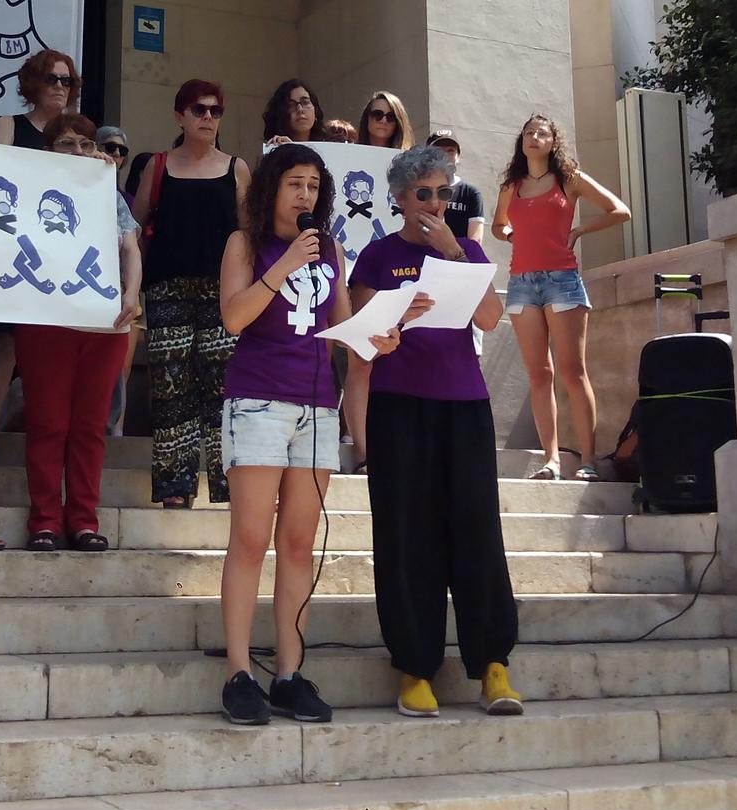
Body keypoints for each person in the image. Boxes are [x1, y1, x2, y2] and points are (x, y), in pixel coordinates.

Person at [216, 145, 393, 726]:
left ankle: (289, 673)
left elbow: (340, 328)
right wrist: (286, 264)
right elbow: (235, 317)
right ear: (270, 188)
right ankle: (239, 672)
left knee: (297, 543)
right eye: (295, 184)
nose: (305, 196)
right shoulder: (245, 244)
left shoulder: (333, 250)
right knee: (249, 539)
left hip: (317, 405)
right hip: (259, 398)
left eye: (314, 187)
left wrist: (378, 336)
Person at [350, 143, 520, 719]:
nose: (434, 203)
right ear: (398, 199)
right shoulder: (375, 257)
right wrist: (393, 323)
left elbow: (492, 319)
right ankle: (415, 666)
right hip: (399, 407)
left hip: (464, 404)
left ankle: (493, 663)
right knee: (406, 536)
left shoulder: (466, 248)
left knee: (476, 529)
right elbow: (363, 341)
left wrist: (454, 253)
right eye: (423, 194)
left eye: (443, 193)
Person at [16, 115, 142, 550]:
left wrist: (132, 293)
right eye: (66, 143)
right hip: (45, 323)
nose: (78, 151)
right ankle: (45, 521)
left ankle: (84, 520)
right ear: (48, 150)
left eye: (86, 144)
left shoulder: (108, 192)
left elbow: (130, 246)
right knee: (48, 424)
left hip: (104, 323)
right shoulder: (25, 189)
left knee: (90, 426)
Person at [131, 80, 248, 507]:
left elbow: (249, 235)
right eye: (199, 110)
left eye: (216, 112)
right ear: (179, 115)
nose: (208, 119)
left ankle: (230, 483)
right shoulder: (157, 165)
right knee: (170, 388)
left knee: (224, 388)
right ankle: (175, 487)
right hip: (166, 290)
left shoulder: (236, 167)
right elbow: (135, 227)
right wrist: (129, 289)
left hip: (223, 292)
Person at [494, 114, 630, 482]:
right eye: (528, 132)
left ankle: (587, 459)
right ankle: (551, 460)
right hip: (522, 282)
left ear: (554, 141)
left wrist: (582, 229)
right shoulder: (512, 184)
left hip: (562, 281)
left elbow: (620, 210)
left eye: (542, 133)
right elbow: (498, 224)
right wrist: (511, 235)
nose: (534, 137)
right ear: (521, 141)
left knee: (573, 371)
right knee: (539, 374)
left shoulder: (569, 179)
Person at [0, 48, 85, 462]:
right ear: (32, 84)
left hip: (60, 253)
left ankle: (50, 436)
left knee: (52, 346)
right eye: (52, 79)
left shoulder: (77, 133)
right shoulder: (10, 125)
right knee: (4, 341)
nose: (60, 87)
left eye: (67, 81)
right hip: (12, 247)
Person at [96, 123, 142, 436]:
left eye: (121, 150)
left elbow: (132, 247)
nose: (115, 155)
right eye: (109, 147)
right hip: (77, 293)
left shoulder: (121, 199)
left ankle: (117, 431)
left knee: (120, 367)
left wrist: (132, 292)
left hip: (120, 291)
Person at [426, 129, 488, 243]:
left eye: (450, 150)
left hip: (458, 258)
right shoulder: (418, 190)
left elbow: (475, 241)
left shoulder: (470, 193)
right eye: (438, 151)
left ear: (458, 157)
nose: (445, 156)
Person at [259, 79, 324, 150]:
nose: (300, 109)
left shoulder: (330, 148)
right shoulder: (272, 150)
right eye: (291, 105)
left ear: (316, 112)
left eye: (305, 102)